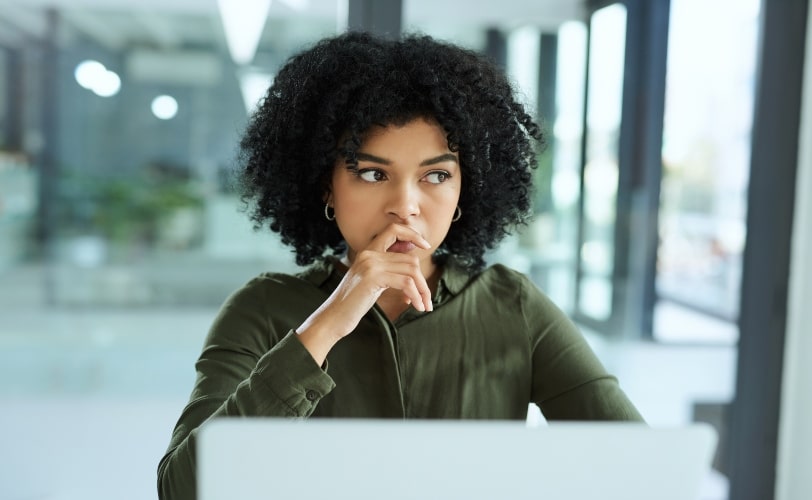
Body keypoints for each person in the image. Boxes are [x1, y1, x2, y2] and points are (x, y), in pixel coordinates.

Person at [157, 30, 643, 499]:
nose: (405, 205)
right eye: (372, 173)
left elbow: (636, 466)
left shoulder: (514, 306)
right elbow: (183, 490)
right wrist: (325, 326)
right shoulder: (262, 308)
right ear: (326, 186)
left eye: (435, 174)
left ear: (463, 193)